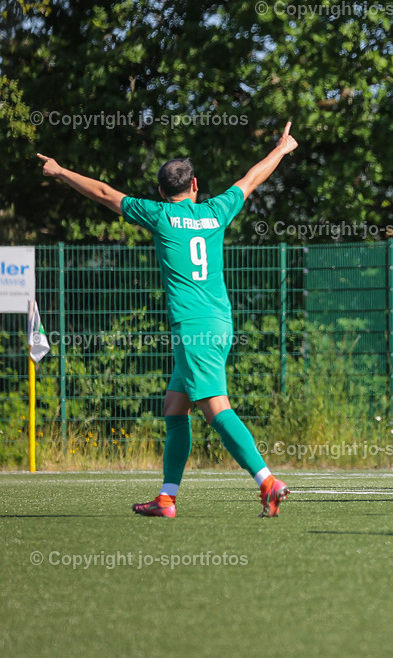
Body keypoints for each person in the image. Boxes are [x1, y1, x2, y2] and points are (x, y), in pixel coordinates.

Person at [36, 122, 298, 518]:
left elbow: (105, 194)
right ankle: (166, 498)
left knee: (216, 408)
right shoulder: (215, 211)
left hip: (192, 329)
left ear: (161, 192)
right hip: (217, 322)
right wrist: (281, 148)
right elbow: (250, 179)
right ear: (195, 186)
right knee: (175, 408)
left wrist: (59, 171)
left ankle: (267, 481)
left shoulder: (160, 215)